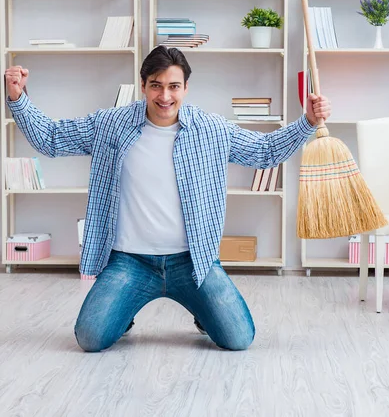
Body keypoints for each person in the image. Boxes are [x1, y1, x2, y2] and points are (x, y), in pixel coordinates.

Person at [4, 45, 331, 352]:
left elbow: (265, 151)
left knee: (239, 339)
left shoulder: (211, 129)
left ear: (186, 88)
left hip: (191, 262)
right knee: (90, 338)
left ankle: (203, 311)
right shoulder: (111, 125)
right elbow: (52, 139)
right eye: (156, 85)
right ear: (143, 85)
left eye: (174, 86)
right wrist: (18, 97)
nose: (165, 95)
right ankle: (125, 309)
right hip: (129, 260)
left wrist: (308, 122)